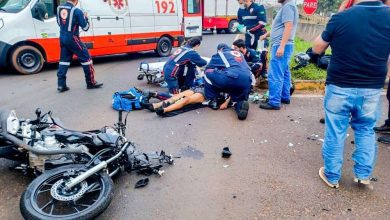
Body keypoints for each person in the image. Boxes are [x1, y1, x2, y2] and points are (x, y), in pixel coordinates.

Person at [313, 0, 390, 189]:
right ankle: (363, 174)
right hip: (372, 87)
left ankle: (332, 176)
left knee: (335, 131)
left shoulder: (341, 18)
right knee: (365, 129)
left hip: (340, 85)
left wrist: (339, 13)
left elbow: (317, 48)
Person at [259, 0, 298, 110]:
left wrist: (281, 46)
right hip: (285, 45)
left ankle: (274, 102)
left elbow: (288, 26)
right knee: (284, 72)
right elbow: (280, 27)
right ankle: (285, 97)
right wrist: (266, 35)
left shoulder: (288, 6)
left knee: (275, 74)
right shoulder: (288, 6)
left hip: (281, 45)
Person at [56, 0, 103, 92]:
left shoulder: (59, 8)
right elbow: (85, 28)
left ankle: (61, 85)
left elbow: (59, 23)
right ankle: (91, 83)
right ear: (76, 1)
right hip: (73, 39)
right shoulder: (77, 11)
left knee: (63, 62)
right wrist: (85, 18)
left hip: (62, 38)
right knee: (87, 59)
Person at [203, 43, 252, 120]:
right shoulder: (239, 54)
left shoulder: (221, 53)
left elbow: (209, 67)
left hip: (232, 78)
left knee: (207, 72)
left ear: (220, 49)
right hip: (248, 80)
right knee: (237, 99)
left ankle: (212, 100)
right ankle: (240, 105)